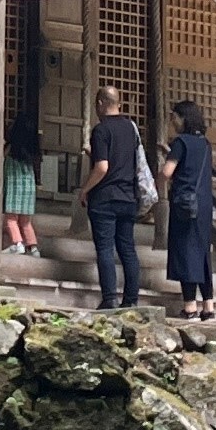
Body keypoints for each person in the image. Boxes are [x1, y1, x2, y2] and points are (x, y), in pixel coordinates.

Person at [82, 82, 147, 311]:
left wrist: (85, 189)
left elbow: (102, 167)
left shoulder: (101, 130)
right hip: (128, 196)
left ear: (100, 104)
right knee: (127, 248)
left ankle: (109, 297)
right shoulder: (131, 128)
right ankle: (131, 299)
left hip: (105, 197)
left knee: (105, 249)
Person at [161, 99, 216, 320]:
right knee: (203, 252)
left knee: (185, 252)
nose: (172, 122)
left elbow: (168, 171)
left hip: (184, 204)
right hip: (203, 205)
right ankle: (209, 306)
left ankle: (190, 306)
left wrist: (158, 180)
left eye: (174, 117)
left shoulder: (180, 142)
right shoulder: (205, 144)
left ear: (183, 118)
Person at [0, 118, 41, 256]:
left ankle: (17, 243)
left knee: (11, 218)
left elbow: (2, 159)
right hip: (29, 188)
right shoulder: (32, 151)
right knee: (25, 221)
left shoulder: (12, 148)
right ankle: (33, 247)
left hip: (14, 185)